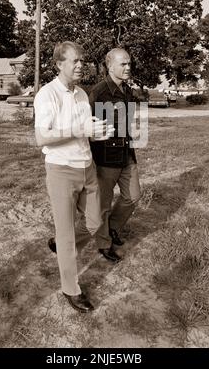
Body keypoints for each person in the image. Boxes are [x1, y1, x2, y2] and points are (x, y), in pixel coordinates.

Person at [34, 41, 114, 313]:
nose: (81, 65)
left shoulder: (82, 94)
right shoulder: (47, 94)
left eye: (82, 60)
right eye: (75, 61)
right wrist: (79, 128)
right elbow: (41, 137)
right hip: (60, 170)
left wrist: (96, 133)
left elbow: (84, 131)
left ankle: (59, 245)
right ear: (59, 64)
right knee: (67, 234)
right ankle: (71, 289)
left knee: (94, 221)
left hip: (86, 167)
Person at [89, 48, 142, 262]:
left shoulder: (128, 91)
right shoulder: (98, 92)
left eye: (129, 64)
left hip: (126, 154)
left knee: (133, 196)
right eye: (123, 64)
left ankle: (112, 228)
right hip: (105, 157)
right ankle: (103, 244)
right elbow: (88, 128)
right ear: (110, 66)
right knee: (103, 203)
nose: (128, 67)